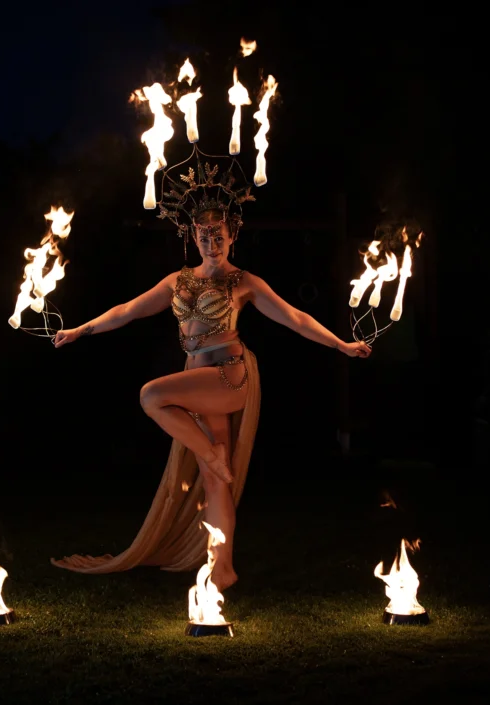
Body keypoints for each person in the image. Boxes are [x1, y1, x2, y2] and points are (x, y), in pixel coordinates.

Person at [50, 179, 370, 590]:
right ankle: (223, 569)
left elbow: (295, 319)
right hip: (196, 383)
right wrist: (81, 329)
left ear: (232, 235)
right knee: (215, 479)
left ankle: (212, 455)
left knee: (151, 395)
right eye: (203, 236)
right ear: (192, 237)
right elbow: (127, 311)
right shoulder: (176, 282)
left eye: (218, 235)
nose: (211, 243)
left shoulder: (244, 282)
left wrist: (340, 344)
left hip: (226, 377)